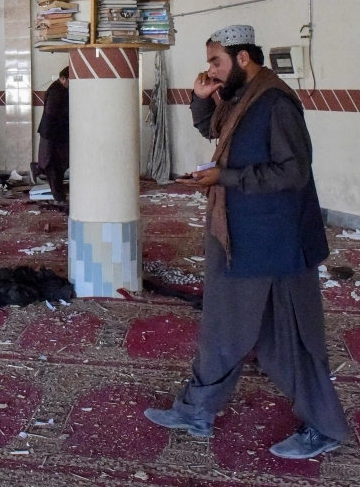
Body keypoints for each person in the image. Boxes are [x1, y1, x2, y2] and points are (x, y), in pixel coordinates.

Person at [144, 25, 349, 460]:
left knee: (287, 337)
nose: (211, 70)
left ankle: (325, 427)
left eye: (216, 61)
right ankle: (196, 409)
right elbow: (216, 130)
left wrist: (227, 177)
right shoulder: (244, 96)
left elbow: (293, 172)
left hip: (277, 241)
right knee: (223, 325)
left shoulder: (275, 102)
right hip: (239, 231)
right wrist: (201, 100)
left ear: (242, 58)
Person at [36, 66, 70, 203]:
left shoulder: (60, 89)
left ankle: (59, 196)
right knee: (54, 167)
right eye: (70, 80)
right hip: (52, 135)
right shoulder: (57, 91)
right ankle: (58, 198)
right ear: (62, 78)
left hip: (55, 134)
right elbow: (52, 113)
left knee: (57, 166)